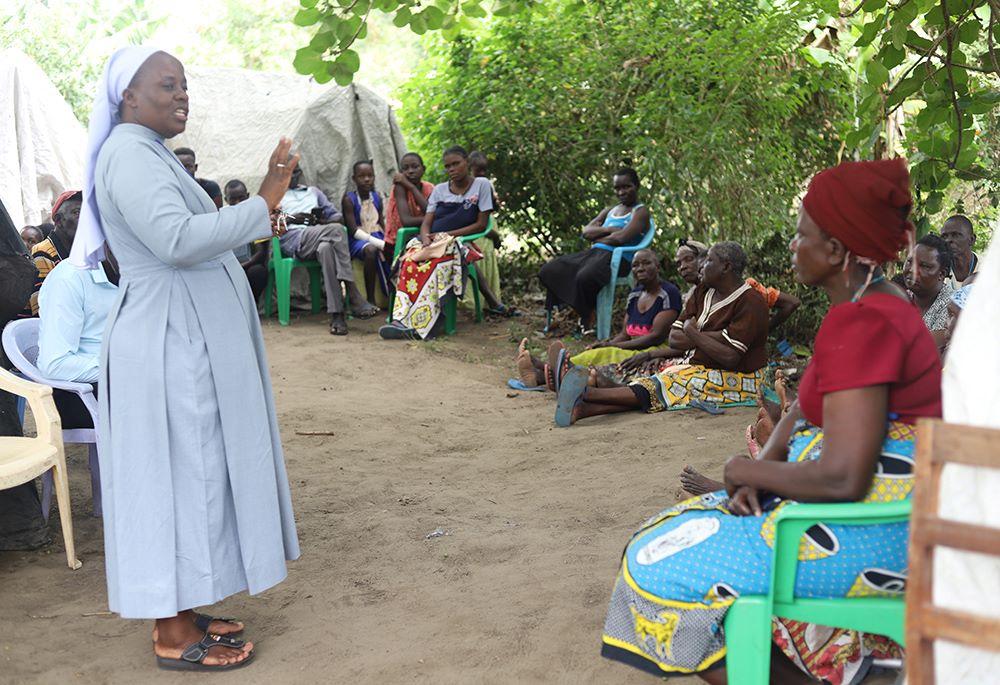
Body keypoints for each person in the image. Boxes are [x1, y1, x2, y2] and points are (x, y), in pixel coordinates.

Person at [600, 158, 942, 684]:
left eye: (801, 234)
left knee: (655, 565)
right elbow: (807, 407)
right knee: (665, 530)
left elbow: (843, 477)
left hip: (871, 531)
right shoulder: (871, 305)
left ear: (835, 250)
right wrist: (775, 454)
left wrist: (748, 472)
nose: (791, 245)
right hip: (878, 512)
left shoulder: (864, 321)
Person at [72, 46, 300, 671]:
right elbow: (175, 241)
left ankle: (180, 604)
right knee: (172, 477)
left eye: (184, 85)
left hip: (178, 340)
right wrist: (265, 202)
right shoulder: (127, 154)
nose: (181, 95)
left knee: (192, 474)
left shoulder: (147, 153)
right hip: (166, 344)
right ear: (127, 97)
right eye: (166, 85)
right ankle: (171, 633)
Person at [554, 241, 769, 426]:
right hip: (701, 364)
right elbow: (674, 337)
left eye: (709, 260)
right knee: (665, 379)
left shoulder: (750, 302)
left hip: (741, 377)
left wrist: (692, 332)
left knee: (671, 383)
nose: (701, 265)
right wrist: (713, 336)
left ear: (726, 267)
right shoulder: (704, 291)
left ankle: (587, 394)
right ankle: (581, 410)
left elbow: (730, 357)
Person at [380, 146, 510, 339]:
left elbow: (481, 224)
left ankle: (422, 324)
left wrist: (447, 235)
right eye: (447, 166)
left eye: (456, 163)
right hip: (431, 240)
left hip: (455, 241)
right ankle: (401, 320)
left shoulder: (481, 185)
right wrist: (424, 238)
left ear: (467, 162)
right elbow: (427, 223)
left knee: (435, 265)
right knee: (408, 261)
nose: (451, 169)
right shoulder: (440, 190)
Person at [515, 249, 682, 388]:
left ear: (657, 266)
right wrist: (607, 343)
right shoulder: (635, 294)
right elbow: (625, 333)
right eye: (635, 265)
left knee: (608, 354)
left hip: (655, 349)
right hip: (632, 346)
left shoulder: (668, 293)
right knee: (597, 352)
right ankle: (544, 371)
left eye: (646, 263)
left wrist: (611, 345)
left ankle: (542, 372)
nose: (640, 268)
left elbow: (656, 336)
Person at [539, 168, 651, 333]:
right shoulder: (610, 211)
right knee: (550, 269)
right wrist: (609, 230)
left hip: (619, 259)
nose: (621, 192)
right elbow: (586, 231)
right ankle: (577, 309)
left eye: (626, 187)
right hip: (594, 254)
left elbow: (621, 239)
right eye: (617, 188)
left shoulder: (640, 212)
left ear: (637, 186)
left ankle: (586, 316)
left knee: (585, 276)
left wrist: (599, 236)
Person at [279, 163, 376, 334]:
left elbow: (337, 216)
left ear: (300, 173)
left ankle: (337, 315)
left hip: (320, 235)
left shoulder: (313, 192)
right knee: (337, 231)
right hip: (295, 240)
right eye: (286, 172)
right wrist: (294, 218)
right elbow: (268, 223)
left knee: (326, 249)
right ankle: (352, 290)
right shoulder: (275, 195)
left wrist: (322, 221)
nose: (290, 176)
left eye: (294, 172)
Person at [37, 255, 119, 429]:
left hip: (121, 382)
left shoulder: (140, 273)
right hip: (78, 393)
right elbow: (55, 365)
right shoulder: (70, 277)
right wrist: (127, 368)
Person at [19, 190, 83, 317]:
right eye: (77, 212)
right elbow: (42, 311)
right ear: (58, 220)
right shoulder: (42, 252)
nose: (85, 219)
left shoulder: (78, 254)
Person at [342, 159, 388, 306]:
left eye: (370, 175)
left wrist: (388, 241)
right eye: (362, 176)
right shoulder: (349, 199)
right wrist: (380, 243)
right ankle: (370, 299)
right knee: (371, 250)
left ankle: (392, 296)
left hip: (377, 234)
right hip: (358, 240)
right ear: (354, 179)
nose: (367, 179)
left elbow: (381, 223)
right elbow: (354, 231)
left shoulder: (376, 198)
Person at [904, 232, 954, 351]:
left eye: (924, 266)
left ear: (941, 274)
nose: (912, 270)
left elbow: (921, 349)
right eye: (910, 262)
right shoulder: (902, 298)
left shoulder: (951, 307)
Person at [224, 179, 268, 304]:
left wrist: (242, 265)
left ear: (248, 196)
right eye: (233, 199)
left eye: (241, 198)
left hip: (247, 264)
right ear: (226, 199)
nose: (238, 203)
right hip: (226, 265)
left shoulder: (255, 218)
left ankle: (252, 305)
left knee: (258, 272)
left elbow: (260, 252)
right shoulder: (222, 219)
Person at [385, 152, 433, 258]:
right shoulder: (400, 187)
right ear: (401, 172)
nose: (410, 171)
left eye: (415, 167)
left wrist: (411, 187)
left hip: (421, 235)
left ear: (423, 169)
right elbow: (407, 221)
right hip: (398, 241)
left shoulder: (429, 188)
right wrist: (433, 218)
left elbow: (428, 210)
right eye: (405, 168)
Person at [941, 214, 979, 288]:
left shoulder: (988, 269)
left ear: (972, 239)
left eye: (955, 235)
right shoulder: (938, 271)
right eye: (944, 236)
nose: (948, 240)